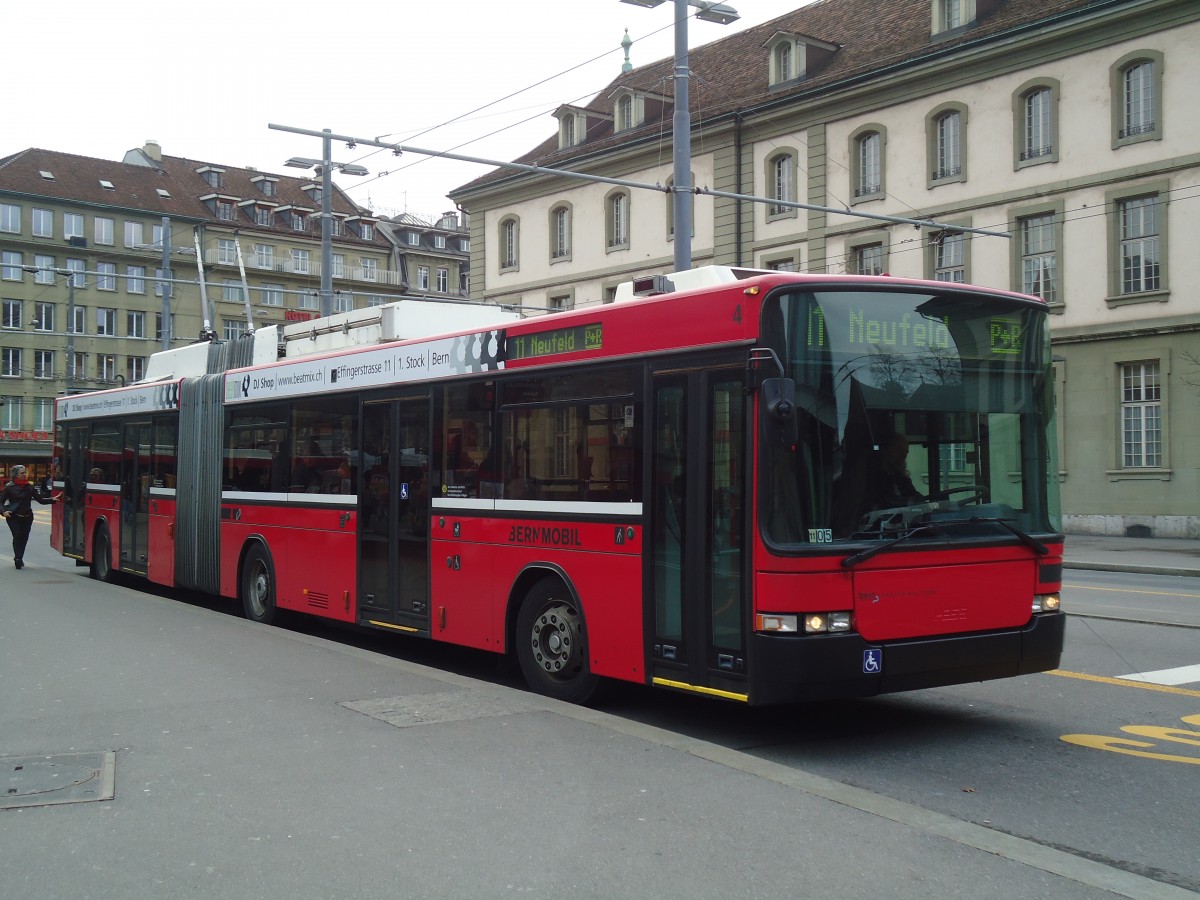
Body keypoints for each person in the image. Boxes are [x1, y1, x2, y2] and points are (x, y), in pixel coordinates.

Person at [1, 464, 59, 570]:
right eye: (22, 473)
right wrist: (3, 512)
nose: (24, 475)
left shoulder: (30, 486)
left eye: (25, 473)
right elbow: (0, 503)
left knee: (24, 537)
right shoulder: (9, 487)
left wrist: (53, 499)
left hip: (27, 516)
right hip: (13, 516)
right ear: (16, 474)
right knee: (17, 536)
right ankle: (18, 558)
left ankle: (19, 557)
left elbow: (40, 500)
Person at [865, 432, 923, 509]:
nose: (903, 456)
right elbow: (882, 503)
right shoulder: (872, 477)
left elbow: (916, 497)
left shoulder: (900, 477)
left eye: (905, 452)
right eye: (898, 450)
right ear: (886, 450)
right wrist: (908, 501)